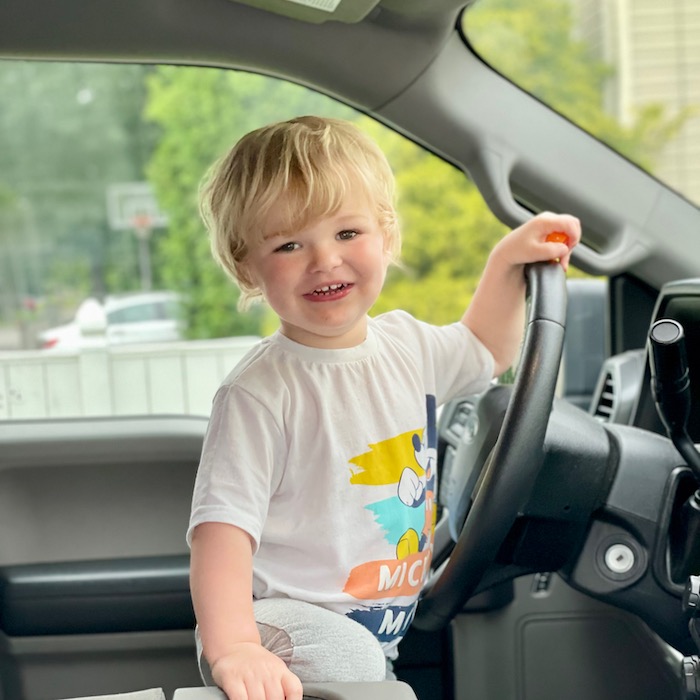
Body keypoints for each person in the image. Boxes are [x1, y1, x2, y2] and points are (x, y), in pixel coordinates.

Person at [187, 115, 580, 700]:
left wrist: (505, 262)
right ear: (247, 266)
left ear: (386, 235)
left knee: (368, 667)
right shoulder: (262, 392)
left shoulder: (408, 345)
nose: (324, 260)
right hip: (280, 629)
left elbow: (486, 350)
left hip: (372, 640)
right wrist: (234, 645)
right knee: (352, 658)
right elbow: (221, 531)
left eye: (347, 233)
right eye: (289, 244)